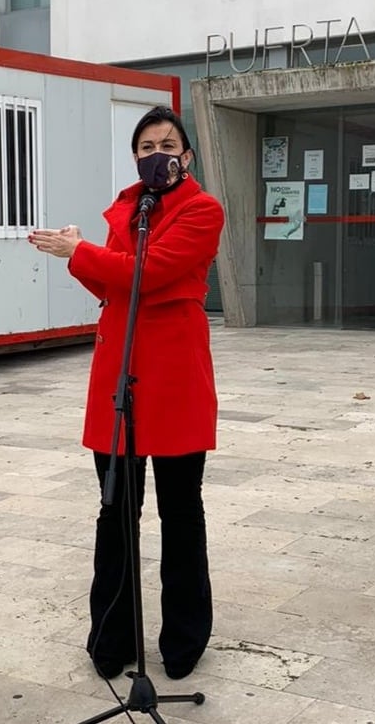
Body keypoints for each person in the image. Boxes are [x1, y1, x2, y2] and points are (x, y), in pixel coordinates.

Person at [29, 106, 224, 680]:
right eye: (145, 147)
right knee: (114, 511)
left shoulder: (203, 209)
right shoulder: (128, 209)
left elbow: (152, 270)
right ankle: (111, 636)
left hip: (176, 376)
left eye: (167, 144)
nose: (156, 153)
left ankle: (185, 638)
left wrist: (82, 253)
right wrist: (80, 254)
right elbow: (112, 278)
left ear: (186, 156)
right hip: (121, 374)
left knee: (181, 511)